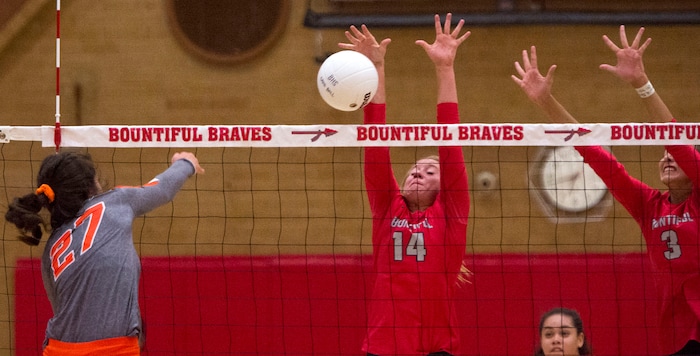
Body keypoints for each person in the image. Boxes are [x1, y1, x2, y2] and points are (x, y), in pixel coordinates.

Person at [512, 26, 700, 355]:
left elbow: (677, 140)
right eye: (664, 154)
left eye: (676, 154)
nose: (667, 157)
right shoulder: (650, 206)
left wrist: (641, 83)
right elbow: (600, 159)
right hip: (675, 333)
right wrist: (547, 103)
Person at [339, 13, 470, 356]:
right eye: (415, 168)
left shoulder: (450, 214)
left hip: (436, 348)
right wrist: (375, 71)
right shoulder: (388, 207)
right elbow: (375, 141)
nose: (417, 172)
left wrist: (445, 68)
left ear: (445, 188)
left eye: (430, 171)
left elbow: (450, 141)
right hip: (383, 347)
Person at [5, 150, 204, 355]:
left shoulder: (52, 248)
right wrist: (184, 163)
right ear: (92, 183)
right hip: (112, 349)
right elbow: (161, 189)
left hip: (58, 349)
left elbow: (66, 307)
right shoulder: (113, 202)